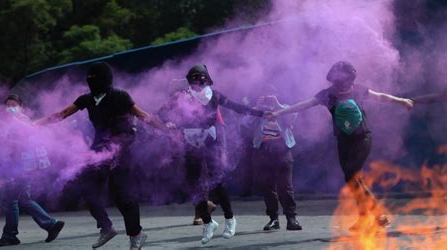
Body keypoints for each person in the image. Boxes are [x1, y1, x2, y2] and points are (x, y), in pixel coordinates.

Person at [36, 62, 165, 249]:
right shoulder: (87, 99)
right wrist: (35, 124)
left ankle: (136, 234)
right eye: (90, 79)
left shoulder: (120, 95)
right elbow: (62, 114)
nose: (92, 82)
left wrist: (163, 128)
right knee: (87, 187)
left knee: (122, 195)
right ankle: (106, 228)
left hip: (122, 151)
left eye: (95, 78)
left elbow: (143, 115)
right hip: (99, 151)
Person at [272, 61, 413, 232]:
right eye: (340, 79)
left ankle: (377, 214)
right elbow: (304, 104)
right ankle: (364, 218)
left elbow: (381, 96)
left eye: (346, 78)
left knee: (352, 175)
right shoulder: (327, 95)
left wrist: (401, 101)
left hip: (362, 139)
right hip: (343, 142)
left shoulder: (359, 89)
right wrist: (279, 113)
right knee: (353, 180)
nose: (345, 83)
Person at [158, 64, 266, 244]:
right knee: (194, 186)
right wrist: (168, 122)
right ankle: (208, 223)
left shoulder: (214, 95)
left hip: (210, 140)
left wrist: (262, 113)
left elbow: (237, 107)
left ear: (206, 80)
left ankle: (230, 219)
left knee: (217, 183)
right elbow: (162, 112)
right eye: (193, 80)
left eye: (199, 80)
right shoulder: (181, 96)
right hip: (189, 140)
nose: (196, 85)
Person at [0, 94, 65, 247]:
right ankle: (51, 224)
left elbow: (26, 138)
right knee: (23, 199)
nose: (10, 108)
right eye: (7, 105)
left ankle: (10, 235)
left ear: (20, 106)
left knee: (10, 201)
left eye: (13, 104)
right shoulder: (11, 122)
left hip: (21, 167)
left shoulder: (22, 120)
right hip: (20, 166)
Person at [252, 87, 302, 231]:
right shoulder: (258, 111)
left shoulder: (284, 108)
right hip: (263, 151)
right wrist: (257, 107)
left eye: (271, 95)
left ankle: (291, 219)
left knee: (285, 187)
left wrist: (278, 105)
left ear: (276, 95)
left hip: (282, 151)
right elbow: (244, 123)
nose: (268, 98)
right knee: (268, 188)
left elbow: (293, 117)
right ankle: (274, 219)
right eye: (265, 95)